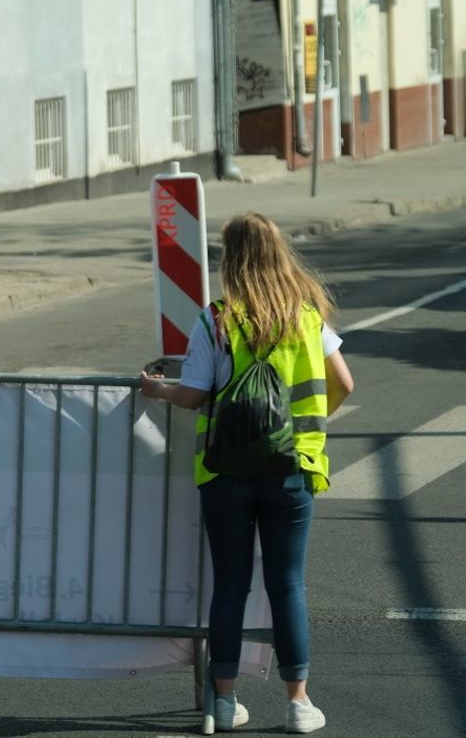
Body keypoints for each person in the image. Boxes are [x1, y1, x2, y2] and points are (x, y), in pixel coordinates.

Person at [138, 212, 353, 734]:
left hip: (226, 473)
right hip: (293, 468)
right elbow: (344, 382)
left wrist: (154, 389)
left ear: (230, 261)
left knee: (230, 586)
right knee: (287, 584)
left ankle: (224, 702)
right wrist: (309, 423)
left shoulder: (215, 319)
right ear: (279, 254)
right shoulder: (306, 316)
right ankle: (299, 704)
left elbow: (192, 396)